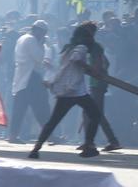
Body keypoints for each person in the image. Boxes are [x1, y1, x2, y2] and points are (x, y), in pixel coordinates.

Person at [28, 24, 104, 159]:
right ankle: (89, 145)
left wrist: (86, 69)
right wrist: (90, 69)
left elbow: (72, 64)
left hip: (69, 90)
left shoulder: (68, 48)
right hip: (75, 90)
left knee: (53, 121)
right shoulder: (81, 48)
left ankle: (36, 148)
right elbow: (76, 59)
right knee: (95, 115)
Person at [79, 21, 122, 152]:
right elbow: (106, 63)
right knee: (89, 113)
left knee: (95, 113)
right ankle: (89, 141)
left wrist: (86, 69)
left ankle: (112, 141)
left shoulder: (94, 47)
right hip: (96, 83)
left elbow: (99, 66)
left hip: (98, 84)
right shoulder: (93, 46)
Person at [8, 20, 52, 143]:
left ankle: (13, 135)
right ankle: (48, 134)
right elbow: (39, 58)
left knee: (20, 109)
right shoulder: (31, 40)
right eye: (42, 33)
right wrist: (42, 45)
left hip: (22, 77)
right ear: (37, 30)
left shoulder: (22, 38)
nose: (43, 36)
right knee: (41, 106)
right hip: (31, 77)